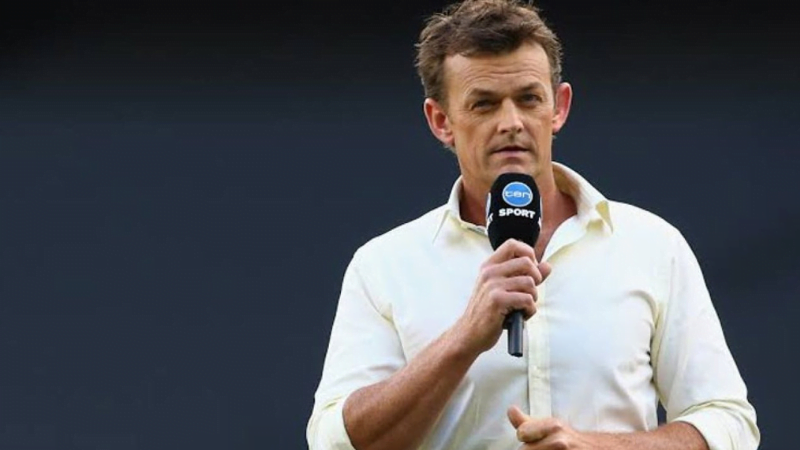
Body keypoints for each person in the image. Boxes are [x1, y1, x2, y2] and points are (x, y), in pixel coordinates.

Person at [306, 0, 760, 449]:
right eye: (484, 104)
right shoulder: (385, 266)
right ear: (441, 121)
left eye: (528, 99)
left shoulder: (651, 245)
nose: (511, 123)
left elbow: (729, 424)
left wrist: (593, 446)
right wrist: (464, 338)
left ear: (558, 107)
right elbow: (334, 443)